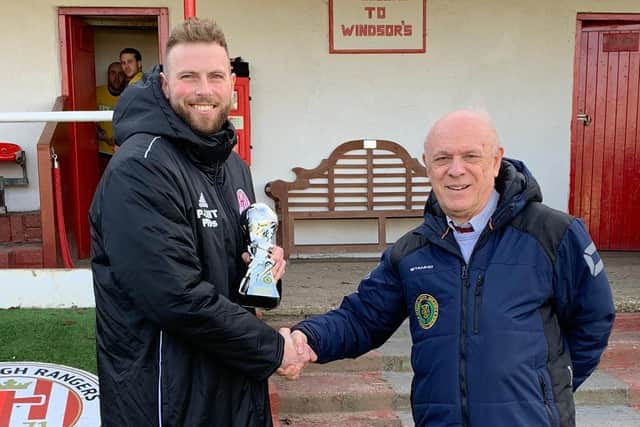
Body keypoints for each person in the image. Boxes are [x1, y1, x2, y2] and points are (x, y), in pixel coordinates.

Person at [282, 110, 615, 427]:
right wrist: (308, 337)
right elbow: (361, 318)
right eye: (442, 158)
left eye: (471, 156)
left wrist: (549, 388)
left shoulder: (554, 234)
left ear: (496, 161)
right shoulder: (411, 253)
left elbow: (593, 318)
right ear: (427, 165)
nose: (456, 170)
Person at [90, 18, 314, 426]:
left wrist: (265, 271)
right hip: (167, 399)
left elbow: (240, 281)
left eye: (214, 76)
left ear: (231, 82)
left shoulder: (235, 167)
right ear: (163, 83)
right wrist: (273, 349)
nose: (203, 91)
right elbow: (175, 297)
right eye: (188, 77)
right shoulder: (140, 168)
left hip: (234, 387)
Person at [96, 61, 126, 171]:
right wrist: (100, 134)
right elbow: (87, 122)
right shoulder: (97, 92)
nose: (116, 77)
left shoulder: (130, 94)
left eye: (120, 74)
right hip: (101, 153)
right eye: (113, 73)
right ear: (108, 75)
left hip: (123, 153)